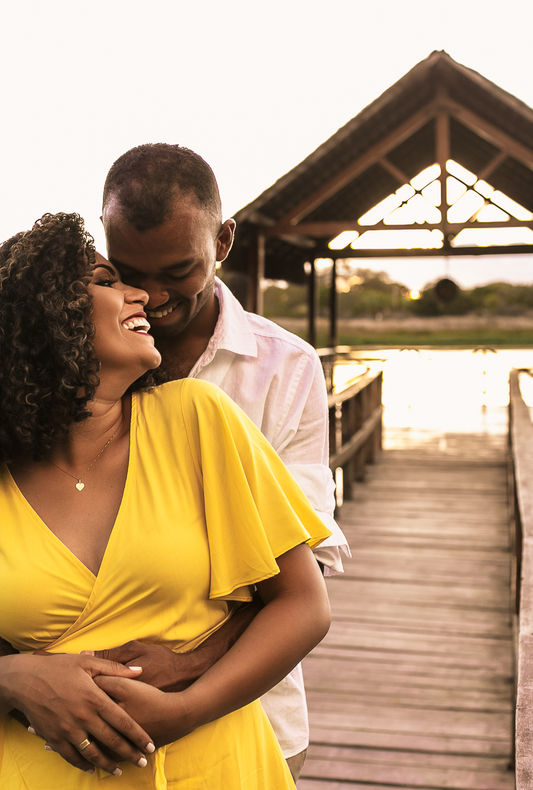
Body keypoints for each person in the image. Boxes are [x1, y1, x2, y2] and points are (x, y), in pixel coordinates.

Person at [0, 212, 332, 788]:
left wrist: (187, 708)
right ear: (45, 320)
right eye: (108, 281)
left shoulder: (199, 420)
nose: (140, 295)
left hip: (214, 765)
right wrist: (19, 680)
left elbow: (304, 604)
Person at [94, 143, 351, 778]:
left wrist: (186, 662)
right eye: (129, 271)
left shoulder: (284, 367)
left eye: (179, 271)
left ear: (224, 241)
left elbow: (308, 553)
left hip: (253, 714)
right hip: (99, 719)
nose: (152, 297)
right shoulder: (79, 363)